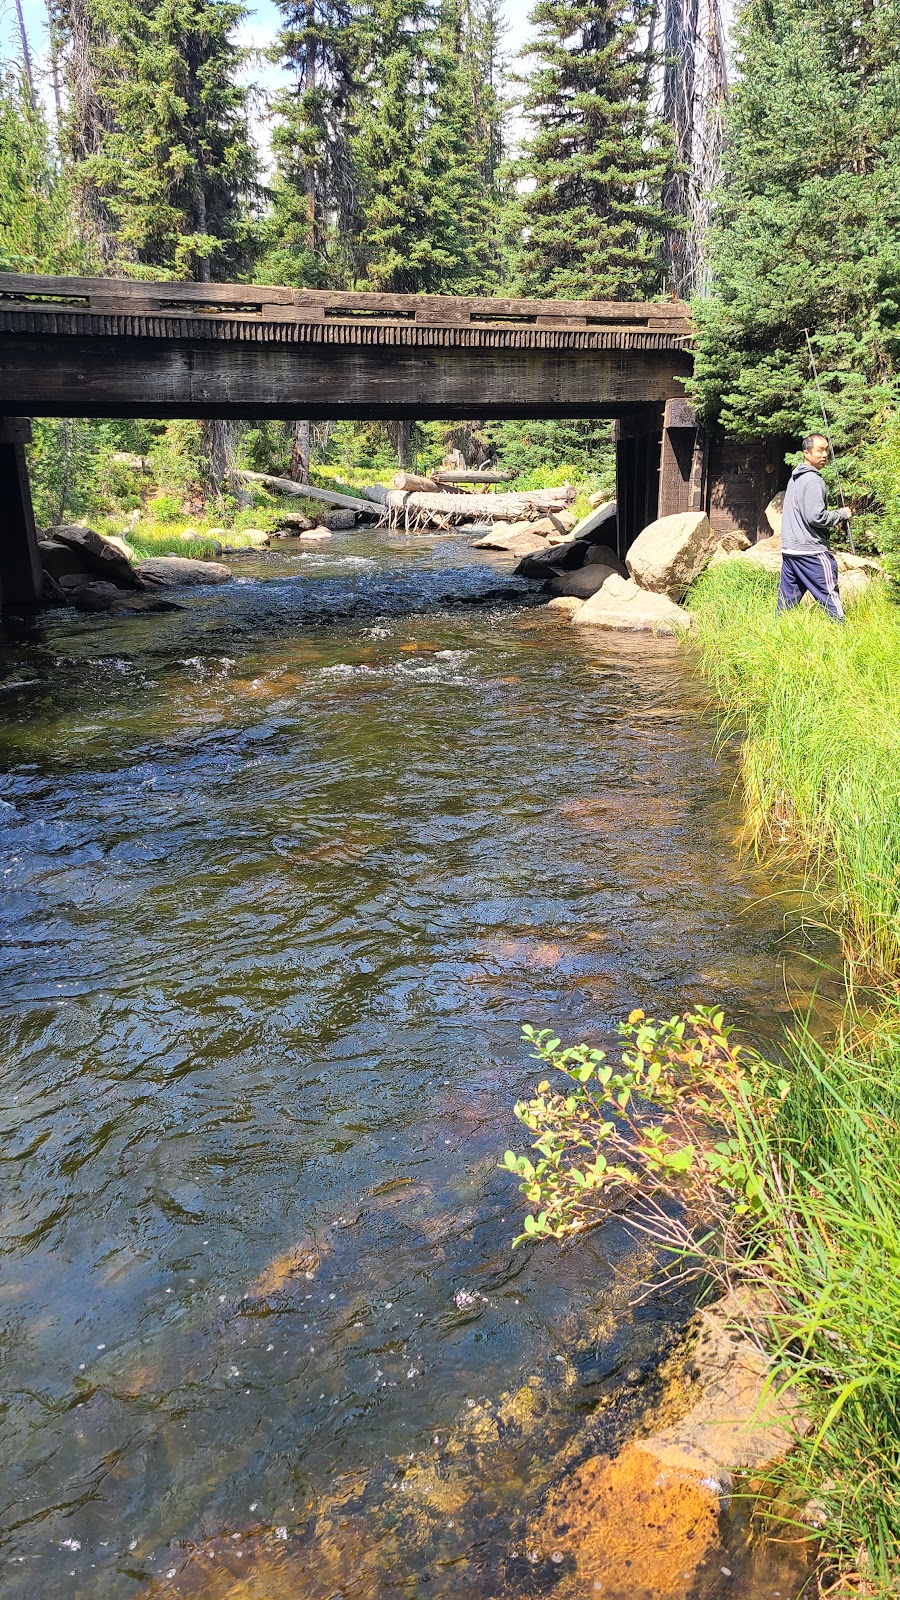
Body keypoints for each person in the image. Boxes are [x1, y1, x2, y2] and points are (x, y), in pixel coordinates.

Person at [777, 433, 852, 622]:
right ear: (806, 453)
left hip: (790, 551)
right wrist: (841, 514)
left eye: (826, 450)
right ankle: (842, 632)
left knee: (785, 606)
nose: (825, 454)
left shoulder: (795, 478)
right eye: (819, 450)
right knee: (830, 599)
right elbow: (816, 517)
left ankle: (776, 634)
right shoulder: (813, 481)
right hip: (811, 552)